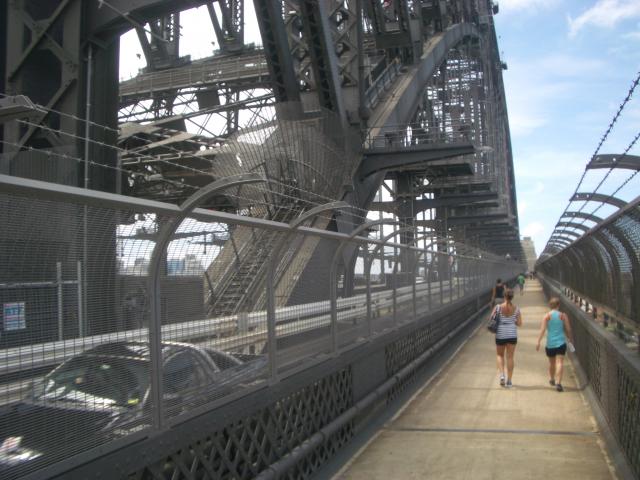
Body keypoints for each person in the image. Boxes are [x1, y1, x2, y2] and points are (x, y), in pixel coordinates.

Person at [536, 297, 574, 392]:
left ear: (550, 305)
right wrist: (570, 339)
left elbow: (542, 330)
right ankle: (559, 383)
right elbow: (568, 329)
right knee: (560, 363)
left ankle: (552, 379)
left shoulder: (546, 316)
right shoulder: (563, 316)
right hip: (561, 343)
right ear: (558, 305)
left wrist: (538, 341)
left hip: (550, 343)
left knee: (552, 363)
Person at [492, 289, 522, 388]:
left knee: (499, 355)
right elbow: (519, 323)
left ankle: (502, 376)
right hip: (512, 334)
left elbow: (492, 318)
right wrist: (512, 321)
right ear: (512, 297)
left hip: (500, 334)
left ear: (504, 296)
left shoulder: (498, 307)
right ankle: (509, 381)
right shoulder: (516, 309)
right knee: (510, 357)